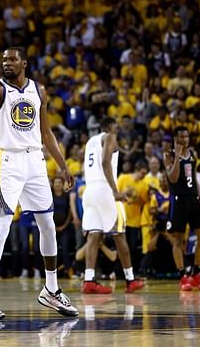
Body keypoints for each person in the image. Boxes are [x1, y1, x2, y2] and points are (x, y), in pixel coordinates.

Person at [0, 24, 78, 319]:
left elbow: (47, 133)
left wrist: (63, 166)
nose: (6, 63)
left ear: (24, 63)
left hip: (36, 161)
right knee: (3, 225)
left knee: (48, 225)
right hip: (8, 162)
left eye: (11, 60)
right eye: (3, 60)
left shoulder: (38, 90)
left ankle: (51, 289)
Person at [81, 117, 145, 294]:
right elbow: (105, 162)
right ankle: (130, 279)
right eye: (116, 126)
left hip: (89, 190)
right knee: (119, 234)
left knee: (93, 235)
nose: (118, 130)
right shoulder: (109, 137)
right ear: (109, 127)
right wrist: (115, 190)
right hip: (104, 190)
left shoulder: (89, 142)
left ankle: (88, 280)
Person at [163, 126, 200, 291]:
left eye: (186, 137)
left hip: (194, 199)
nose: (184, 140)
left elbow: (194, 178)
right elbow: (173, 178)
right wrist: (177, 156)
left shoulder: (193, 154)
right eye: (181, 137)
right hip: (179, 200)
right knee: (178, 239)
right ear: (176, 139)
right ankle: (183, 276)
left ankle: (196, 274)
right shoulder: (168, 155)